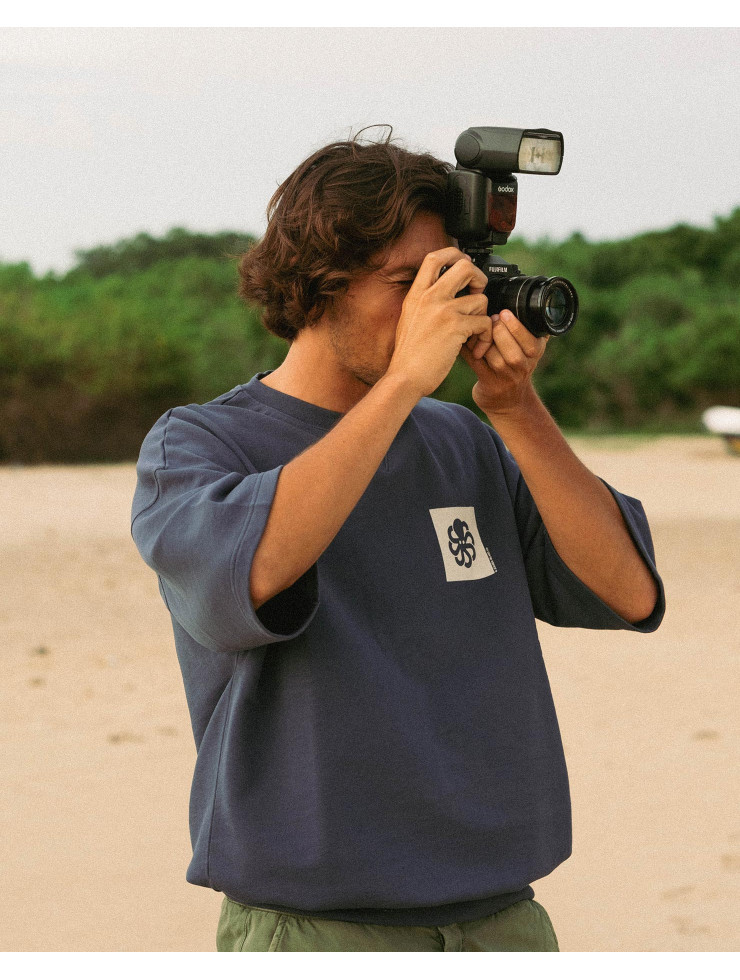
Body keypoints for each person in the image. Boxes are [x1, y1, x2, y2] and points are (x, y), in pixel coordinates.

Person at [131, 131, 665, 952]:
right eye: (408, 284)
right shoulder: (199, 446)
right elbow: (258, 571)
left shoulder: (468, 440)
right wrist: (406, 381)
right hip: (317, 929)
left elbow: (631, 592)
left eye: (451, 281)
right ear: (319, 283)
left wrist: (516, 409)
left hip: (505, 918)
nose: (437, 309)